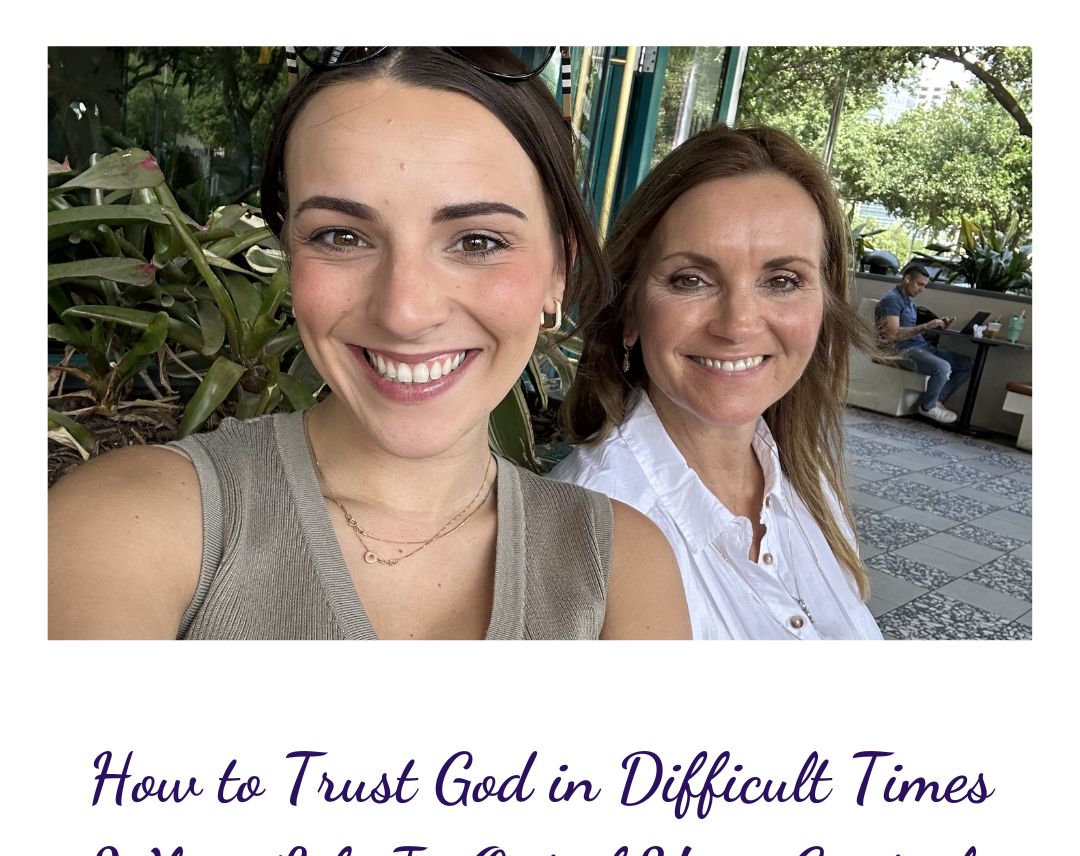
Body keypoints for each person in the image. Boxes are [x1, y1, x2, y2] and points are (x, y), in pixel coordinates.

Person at [49, 48, 691, 641]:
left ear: (559, 271)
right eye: (341, 237)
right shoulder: (133, 519)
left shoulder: (620, 566)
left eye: (478, 242)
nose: (404, 313)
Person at [552, 124, 882, 640]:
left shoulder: (806, 480)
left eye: (782, 281)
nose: (738, 325)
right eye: (691, 280)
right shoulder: (583, 536)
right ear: (629, 310)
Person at [874, 262, 974, 424]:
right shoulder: (891, 300)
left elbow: (910, 328)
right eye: (919, 284)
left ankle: (937, 400)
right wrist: (925, 326)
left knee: (966, 364)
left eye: (924, 285)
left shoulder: (909, 301)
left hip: (920, 346)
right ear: (907, 279)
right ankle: (928, 407)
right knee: (943, 367)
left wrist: (935, 325)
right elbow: (892, 334)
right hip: (899, 349)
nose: (922, 289)